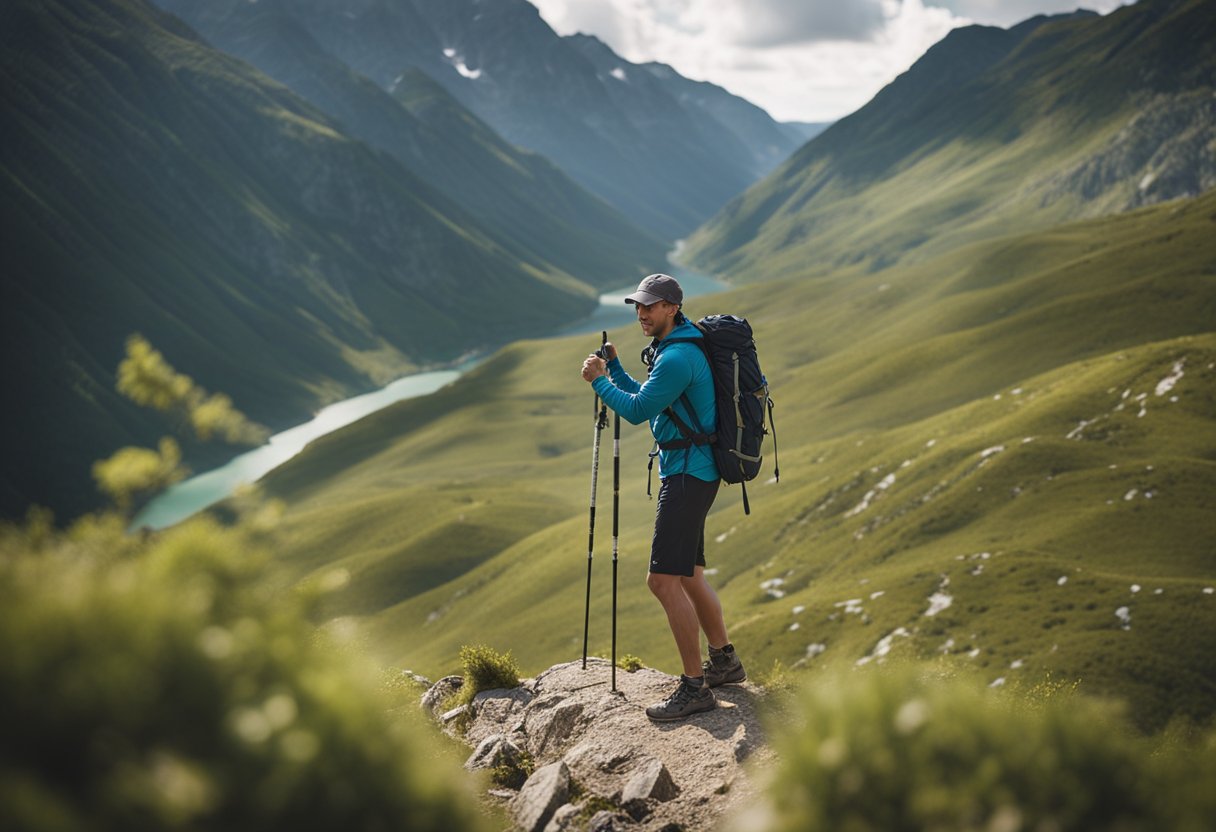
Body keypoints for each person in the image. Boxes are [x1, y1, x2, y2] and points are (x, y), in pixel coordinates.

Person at [580, 273, 746, 721]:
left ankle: (695, 688)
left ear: (672, 307)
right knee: (689, 574)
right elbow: (655, 399)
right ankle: (725, 662)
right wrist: (614, 370)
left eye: (650, 306)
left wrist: (598, 381)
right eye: (638, 305)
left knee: (661, 581)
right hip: (694, 470)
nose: (641, 313)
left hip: (688, 475)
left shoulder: (676, 357)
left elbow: (636, 411)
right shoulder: (678, 349)